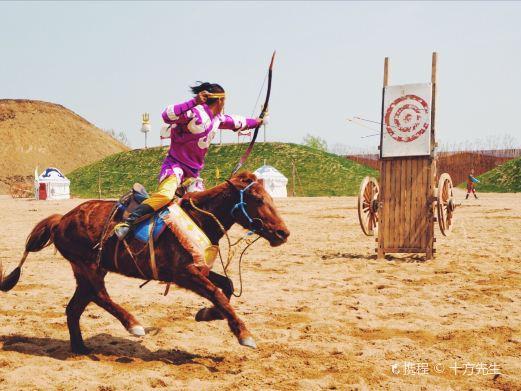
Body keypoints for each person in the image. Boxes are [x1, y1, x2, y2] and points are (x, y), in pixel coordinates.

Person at [114, 82, 268, 239]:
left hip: (193, 175)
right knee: (166, 196)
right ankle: (129, 222)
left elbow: (238, 122)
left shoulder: (217, 119)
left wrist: (257, 122)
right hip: (175, 167)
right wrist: (194, 102)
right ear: (220, 101)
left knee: (204, 209)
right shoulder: (193, 112)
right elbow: (166, 115)